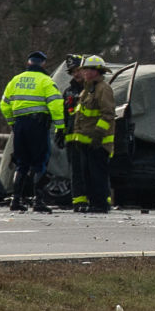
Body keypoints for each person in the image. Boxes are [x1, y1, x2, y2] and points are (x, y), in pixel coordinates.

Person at [0, 51, 64, 212]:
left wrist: (12, 123)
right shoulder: (46, 81)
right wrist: (60, 126)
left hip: (20, 126)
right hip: (38, 125)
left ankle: (15, 200)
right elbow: (55, 104)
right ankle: (38, 201)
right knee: (39, 163)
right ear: (42, 64)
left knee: (22, 164)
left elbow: (4, 104)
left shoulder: (16, 80)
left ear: (28, 63)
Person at [70, 55, 116, 213]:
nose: (83, 72)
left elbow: (108, 114)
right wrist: (76, 136)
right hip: (85, 141)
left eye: (87, 69)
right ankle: (93, 203)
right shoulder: (87, 90)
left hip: (98, 142)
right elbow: (80, 115)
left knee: (98, 175)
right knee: (87, 175)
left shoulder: (103, 89)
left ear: (96, 71)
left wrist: (98, 134)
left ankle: (101, 204)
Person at [61, 54, 88, 212]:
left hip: (89, 139)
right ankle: (78, 201)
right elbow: (64, 115)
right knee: (76, 172)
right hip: (72, 140)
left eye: (78, 70)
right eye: (73, 71)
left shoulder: (93, 90)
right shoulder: (68, 92)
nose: (76, 74)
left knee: (90, 171)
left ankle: (96, 200)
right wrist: (60, 132)